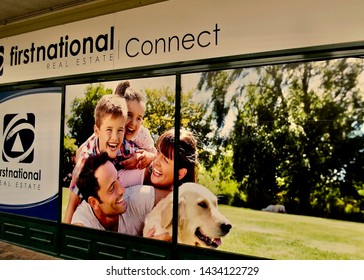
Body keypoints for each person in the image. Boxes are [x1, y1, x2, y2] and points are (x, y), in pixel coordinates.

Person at [71, 152, 170, 239]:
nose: (122, 190)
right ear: (94, 202)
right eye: (112, 188)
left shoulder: (135, 197)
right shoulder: (83, 224)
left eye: (118, 178)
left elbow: (181, 197)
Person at [63, 94, 128, 224]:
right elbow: (72, 203)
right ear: (97, 131)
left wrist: (148, 157)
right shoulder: (85, 161)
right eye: (109, 129)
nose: (115, 137)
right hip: (92, 210)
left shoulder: (126, 145)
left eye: (120, 130)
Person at [115, 81, 157, 170]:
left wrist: (149, 156)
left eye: (139, 118)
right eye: (129, 115)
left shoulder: (142, 134)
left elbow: (156, 156)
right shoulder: (110, 129)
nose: (133, 123)